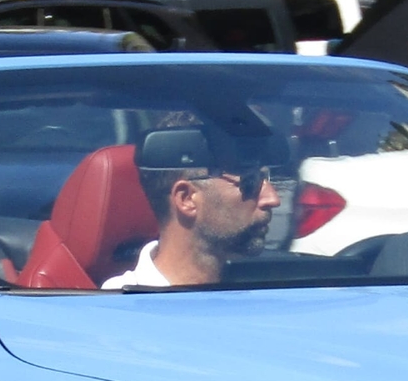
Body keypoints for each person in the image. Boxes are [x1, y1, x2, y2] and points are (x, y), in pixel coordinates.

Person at [103, 124, 282, 289]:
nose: (273, 199)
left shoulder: (273, 296)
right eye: (250, 182)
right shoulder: (116, 313)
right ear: (187, 199)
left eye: (267, 178)